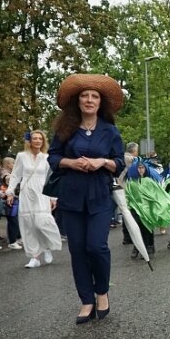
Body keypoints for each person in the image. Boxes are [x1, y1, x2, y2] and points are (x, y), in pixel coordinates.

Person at [48, 74, 125, 324]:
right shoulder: (65, 129)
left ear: (100, 102)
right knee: (78, 250)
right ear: (78, 101)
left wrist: (102, 161)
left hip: (100, 196)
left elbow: (120, 163)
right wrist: (71, 162)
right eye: (85, 96)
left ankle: (101, 292)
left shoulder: (110, 131)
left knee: (97, 246)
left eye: (94, 96)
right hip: (71, 196)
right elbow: (53, 158)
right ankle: (86, 300)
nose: (89, 100)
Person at [6, 130, 63, 269]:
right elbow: (15, 175)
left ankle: (47, 247)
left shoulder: (47, 157)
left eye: (40, 139)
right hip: (27, 192)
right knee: (28, 225)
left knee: (42, 222)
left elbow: (52, 178)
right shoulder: (21, 156)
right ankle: (34, 256)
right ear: (29, 141)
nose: (37, 141)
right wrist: (10, 191)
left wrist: (53, 197)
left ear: (43, 141)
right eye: (35, 138)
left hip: (42, 192)